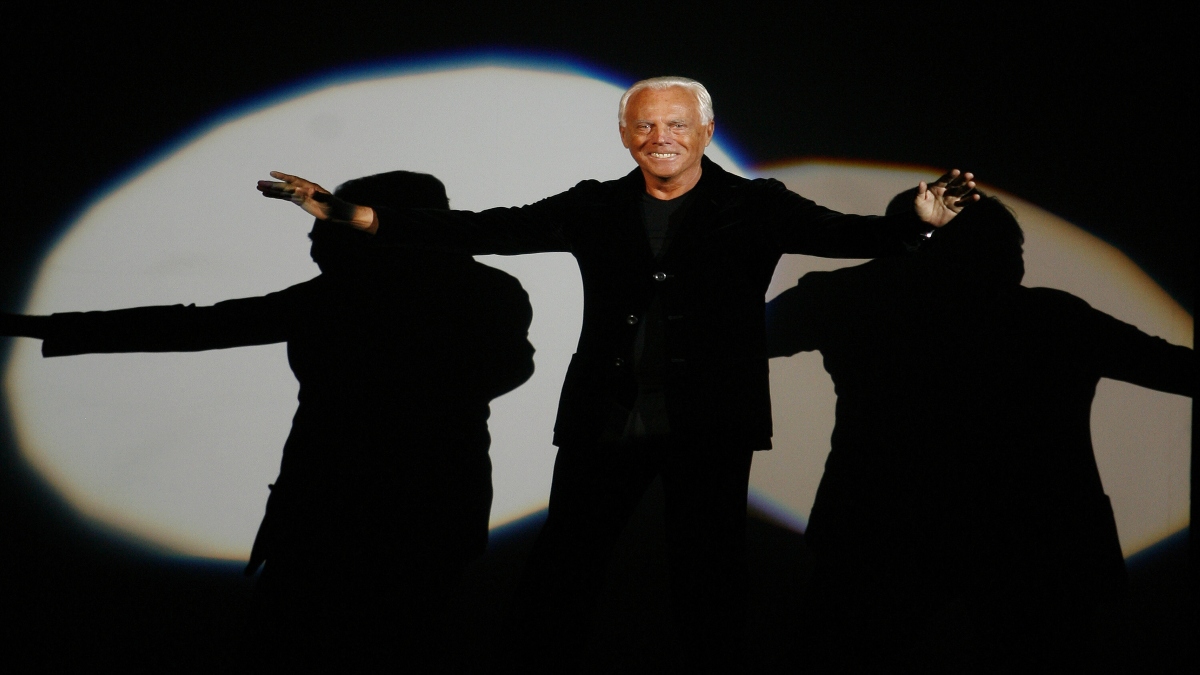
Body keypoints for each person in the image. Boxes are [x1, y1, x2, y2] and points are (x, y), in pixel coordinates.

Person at [255, 76, 978, 671]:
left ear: (703, 129)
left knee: (710, 576)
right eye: (643, 126)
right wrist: (360, 216)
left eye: (673, 124)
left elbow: (854, 237)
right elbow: (485, 228)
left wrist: (914, 219)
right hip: (608, 413)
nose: (658, 137)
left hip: (709, 419)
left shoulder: (754, 206)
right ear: (625, 134)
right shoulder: (593, 206)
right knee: (564, 567)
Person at [1, 171, 536, 673]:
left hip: (332, 509)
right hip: (431, 509)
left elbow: (197, 325)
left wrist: (33, 326)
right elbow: (512, 366)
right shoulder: (484, 291)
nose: (312, 241)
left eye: (325, 224)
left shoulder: (348, 295)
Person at [765, 191, 1194, 671]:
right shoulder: (1054, 320)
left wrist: (893, 251)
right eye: (1009, 246)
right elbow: (1176, 368)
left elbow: (739, 339)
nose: (1016, 259)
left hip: (883, 530)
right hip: (1034, 544)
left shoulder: (853, 301)